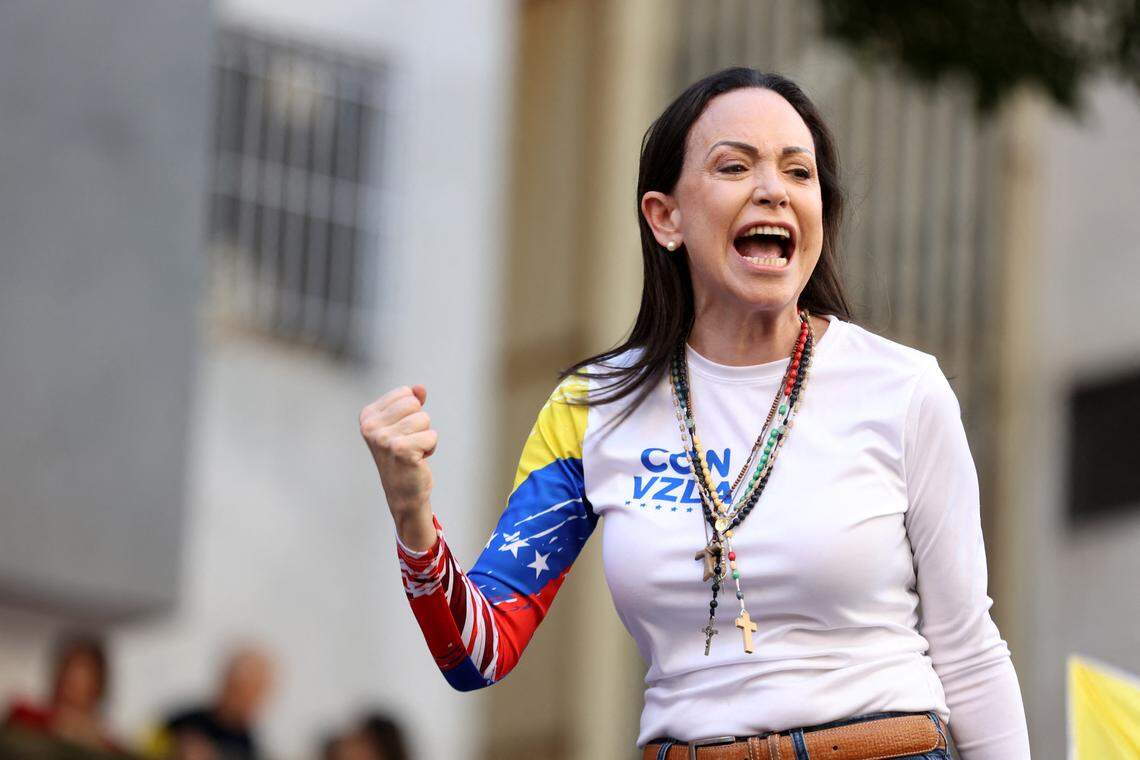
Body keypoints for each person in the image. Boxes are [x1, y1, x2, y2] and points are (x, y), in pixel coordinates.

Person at [359, 67, 1031, 759]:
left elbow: (970, 653)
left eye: (798, 173)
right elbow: (479, 653)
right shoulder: (591, 406)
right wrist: (412, 516)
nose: (773, 189)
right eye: (735, 166)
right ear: (665, 217)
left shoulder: (903, 388)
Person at [4, 632, 126, 754]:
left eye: (82, 675)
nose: (70, 680)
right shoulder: (25, 717)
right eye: (67, 669)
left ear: (98, 686)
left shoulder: (107, 747)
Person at [157, 645, 275, 760]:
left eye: (254, 694)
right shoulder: (183, 723)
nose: (247, 701)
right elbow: (144, 749)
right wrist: (173, 752)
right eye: (240, 690)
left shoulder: (250, 748)